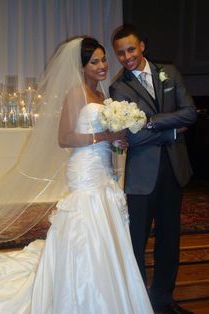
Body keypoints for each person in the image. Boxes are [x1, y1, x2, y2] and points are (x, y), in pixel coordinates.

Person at [0, 37, 154, 313]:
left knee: (106, 226)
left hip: (104, 169)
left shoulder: (103, 95)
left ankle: (110, 285)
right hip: (84, 171)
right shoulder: (76, 93)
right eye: (94, 62)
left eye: (104, 59)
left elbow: (103, 136)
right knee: (87, 225)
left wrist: (117, 142)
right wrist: (105, 135)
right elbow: (65, 137)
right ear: (82, 66)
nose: (102, 65)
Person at [109, 24, 197, 314]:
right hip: (141, 176)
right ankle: (138, 302)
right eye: (120, 53)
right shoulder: (118, 87)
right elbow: (133, 137)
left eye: (131, 49)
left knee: (170, 238)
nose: (126, 57)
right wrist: (171, 129)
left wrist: (151, 121)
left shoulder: (168, 73)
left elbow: (190, 112)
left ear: (142, 46)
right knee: (137, 241)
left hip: (173, 168)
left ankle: (163, 299)